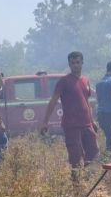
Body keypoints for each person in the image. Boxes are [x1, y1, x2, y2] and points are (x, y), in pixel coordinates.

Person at [40, 51, 99, 180]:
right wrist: (45, 121)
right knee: (75, 156)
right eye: (72, 63)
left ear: (82, 63)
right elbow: (53, 101)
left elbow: (86, 101)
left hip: (86, 124)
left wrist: (92, 120)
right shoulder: (64, 81)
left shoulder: (85, 80)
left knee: (93, 151)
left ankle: (87, 178)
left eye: (78, 62)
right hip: (72, 126)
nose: (75, 65)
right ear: (69, 64)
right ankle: (76, 185)